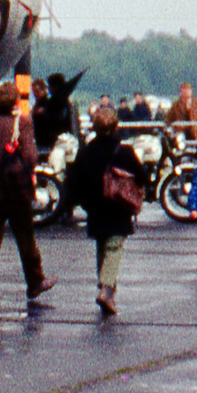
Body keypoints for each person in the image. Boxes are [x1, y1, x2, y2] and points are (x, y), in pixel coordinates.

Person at [0, 81, 56, 309]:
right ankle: (35, 282)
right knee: (25, 237)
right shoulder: (22, 122)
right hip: (16, 192)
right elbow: (30, 157)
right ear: (16, 101)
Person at [69, 107, 146, 317]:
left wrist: (82, 202)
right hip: (119, 206)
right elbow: (142, 176)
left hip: (94, 207)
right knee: (114, 246)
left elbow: (74, 182)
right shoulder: (125, 151)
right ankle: (107, 287)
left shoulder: (85, 152)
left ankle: (106, 286)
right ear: (115, 127)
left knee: (102, 245)